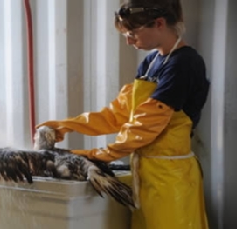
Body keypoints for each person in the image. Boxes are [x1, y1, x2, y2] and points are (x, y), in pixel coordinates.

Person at [36, 0, 210, 228]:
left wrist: (98, 155)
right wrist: (66, 125)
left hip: (171, 179)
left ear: (159, 23)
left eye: (132, 33)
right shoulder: (150, 63)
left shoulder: (185, 64)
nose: (128, 41)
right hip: (144, 174)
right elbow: (117, 115)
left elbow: (146, 125)